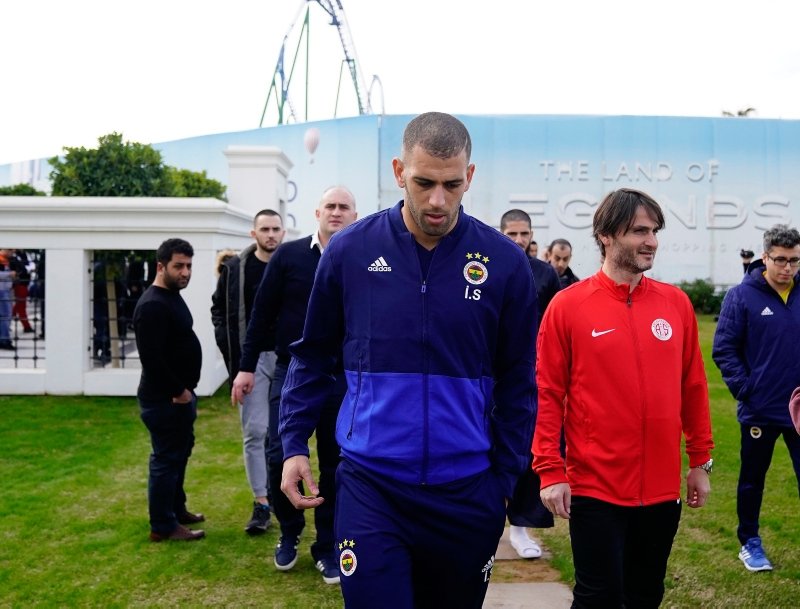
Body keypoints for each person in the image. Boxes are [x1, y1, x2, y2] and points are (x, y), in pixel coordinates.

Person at [279, 112, 538, 608]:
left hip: (466, 492)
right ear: (399, 171)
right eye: (424, 182)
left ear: (470, 177)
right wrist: (293, 443)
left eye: (451, 184)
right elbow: (312, 357)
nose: (437, 200)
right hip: (371, 487)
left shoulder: (505, 263)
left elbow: (519, 381)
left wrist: (503, 480)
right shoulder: (351, 251)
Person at [533, 188, 714, 608]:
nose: (651, 240)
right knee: (598, 596)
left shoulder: (675, 304)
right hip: (595, 487)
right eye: (639, 231)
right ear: (606, 236)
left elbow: (693, 387)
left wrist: (699, 462)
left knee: (645, 594)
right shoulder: (567, 306)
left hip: (661, 491)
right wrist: (549, 470)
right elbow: (546, 394)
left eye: (654, 230)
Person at [232, 187, 357, 583]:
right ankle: (288, 533)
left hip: (341, 377)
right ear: (317, 211)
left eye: (344, 207)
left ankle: (327, 546)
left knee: (336, 462)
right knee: (277, 453)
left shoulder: (361, 259)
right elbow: (262, 314)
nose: (336, 213)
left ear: (355, 214)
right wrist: (246, 367)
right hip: (292, 373)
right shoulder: (289, 256)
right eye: (330, 206)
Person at [712, 224, 800, 572]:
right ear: (765, 257)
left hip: (797, 411)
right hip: (759, 410)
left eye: (794, 260)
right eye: (780, 260)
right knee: (752, 479)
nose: (788, 268)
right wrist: (747, 390)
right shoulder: (741, 295)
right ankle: (750, 542)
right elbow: (724, 349)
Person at [211, 209, 286, 535]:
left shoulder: (293, 263)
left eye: (276, 229)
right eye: (265, 229)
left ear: (283, 232)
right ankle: (262, 503)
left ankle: (286, 498)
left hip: (288, 359)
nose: (271, 234)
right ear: (253, 234)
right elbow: (219, 312)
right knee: (255, 432)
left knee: (283, 435)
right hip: (251, 361)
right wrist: (235, 358)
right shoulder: (236, 269)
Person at [133, 238, 205, 542]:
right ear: (161, 266)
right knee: (165, 460)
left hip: (178, 395)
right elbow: (152, 358)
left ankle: (176, 509)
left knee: (178, 455)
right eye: (179, 266)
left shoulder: (171, 295)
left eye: (189, 265)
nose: (185, 272)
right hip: (165, 399)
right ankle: (162, 526)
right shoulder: (152, 304)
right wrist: (179, 391)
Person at [499, 208, 560, 558]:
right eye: (512, 234)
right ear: (502, 233)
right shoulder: (486, 266)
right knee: (491, 448)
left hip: (534, 376)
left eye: (524, 234)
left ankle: (519, 529)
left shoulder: (545, 274)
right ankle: (486, 523)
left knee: (528, 449)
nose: (519, 241)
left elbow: (555, 325)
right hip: (491, 376)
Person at [10, 249, 33, 333]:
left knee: (18, 305)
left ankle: (7, 321)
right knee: (21, 306)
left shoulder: (23, 255)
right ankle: (26, 326)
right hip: (20, 283)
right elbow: (20, 270)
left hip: (23, 283)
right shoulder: (14, 256)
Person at [0, 249, 16, 350]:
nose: (13, 253)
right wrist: (10, 274)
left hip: (6, 290)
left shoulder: (6, 260)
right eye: (11, 250)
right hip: (2, 291)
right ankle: (4, 340)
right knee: (6, 316)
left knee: (5, 316)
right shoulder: (2, 260)